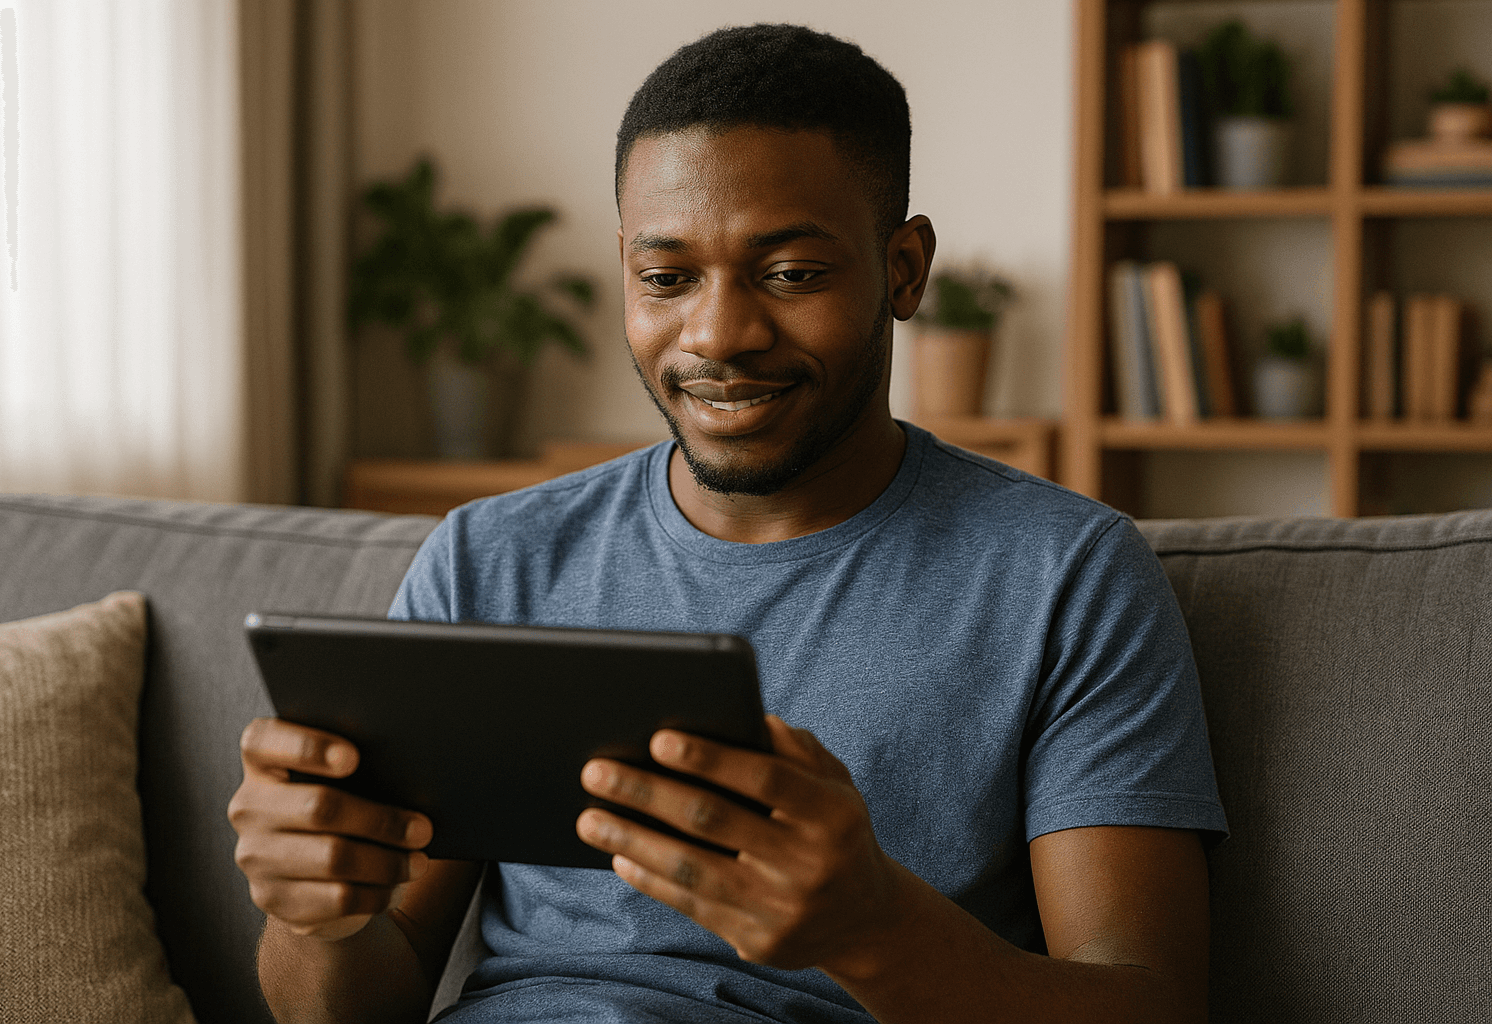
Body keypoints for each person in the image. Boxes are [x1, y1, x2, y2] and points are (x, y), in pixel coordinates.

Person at [228, 23, 1227, 1024]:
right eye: (667, 278)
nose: (718, 335)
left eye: (790, 273)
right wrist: (320, 918)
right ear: (625, 269)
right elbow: (350, 1008)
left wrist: (871, 925)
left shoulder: (1064, 574)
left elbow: (1153, 1004)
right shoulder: (488, 561)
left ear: (904, 269)